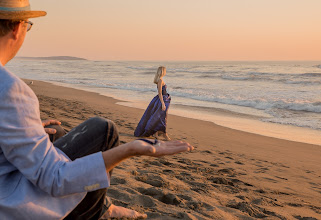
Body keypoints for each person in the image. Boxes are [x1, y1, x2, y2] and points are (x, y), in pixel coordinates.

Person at [0, 1, 194, 219]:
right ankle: (95, 212)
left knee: (58, 132)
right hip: (8, 203)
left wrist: (22, 129)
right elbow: (55, 179)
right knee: (104, 130)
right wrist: (130, 150)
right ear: (17, 28)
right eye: (28, 25)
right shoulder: (11, 90)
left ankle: (104, 207)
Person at [134, 66, 171, 140]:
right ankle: (164, 134)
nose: (166, 72)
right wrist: (163, 103)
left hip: (163, 99)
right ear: (162, 71)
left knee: (158, 117)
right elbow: (160, 93)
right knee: (162, 117)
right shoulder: (160, 80)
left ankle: (156, 134)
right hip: (162, 100)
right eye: (165, 70)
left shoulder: (160, 80)